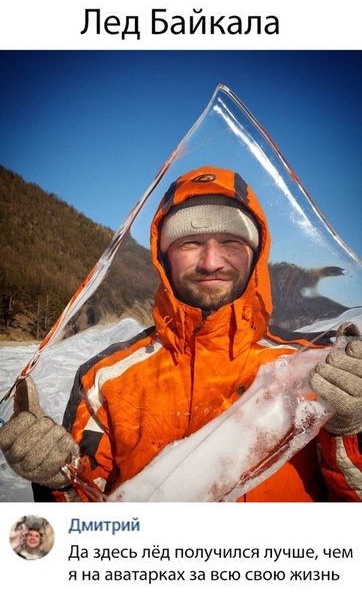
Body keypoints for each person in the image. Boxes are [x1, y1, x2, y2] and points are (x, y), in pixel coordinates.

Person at [0, 166, 361, 502]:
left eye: (230, 242)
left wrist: (351, 430)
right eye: (190, 243)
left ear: (255, 254)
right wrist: (57, 478)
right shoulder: (105, 379)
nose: (210, 262)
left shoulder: (313, 368)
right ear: (163, 255)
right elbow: (84, 527)